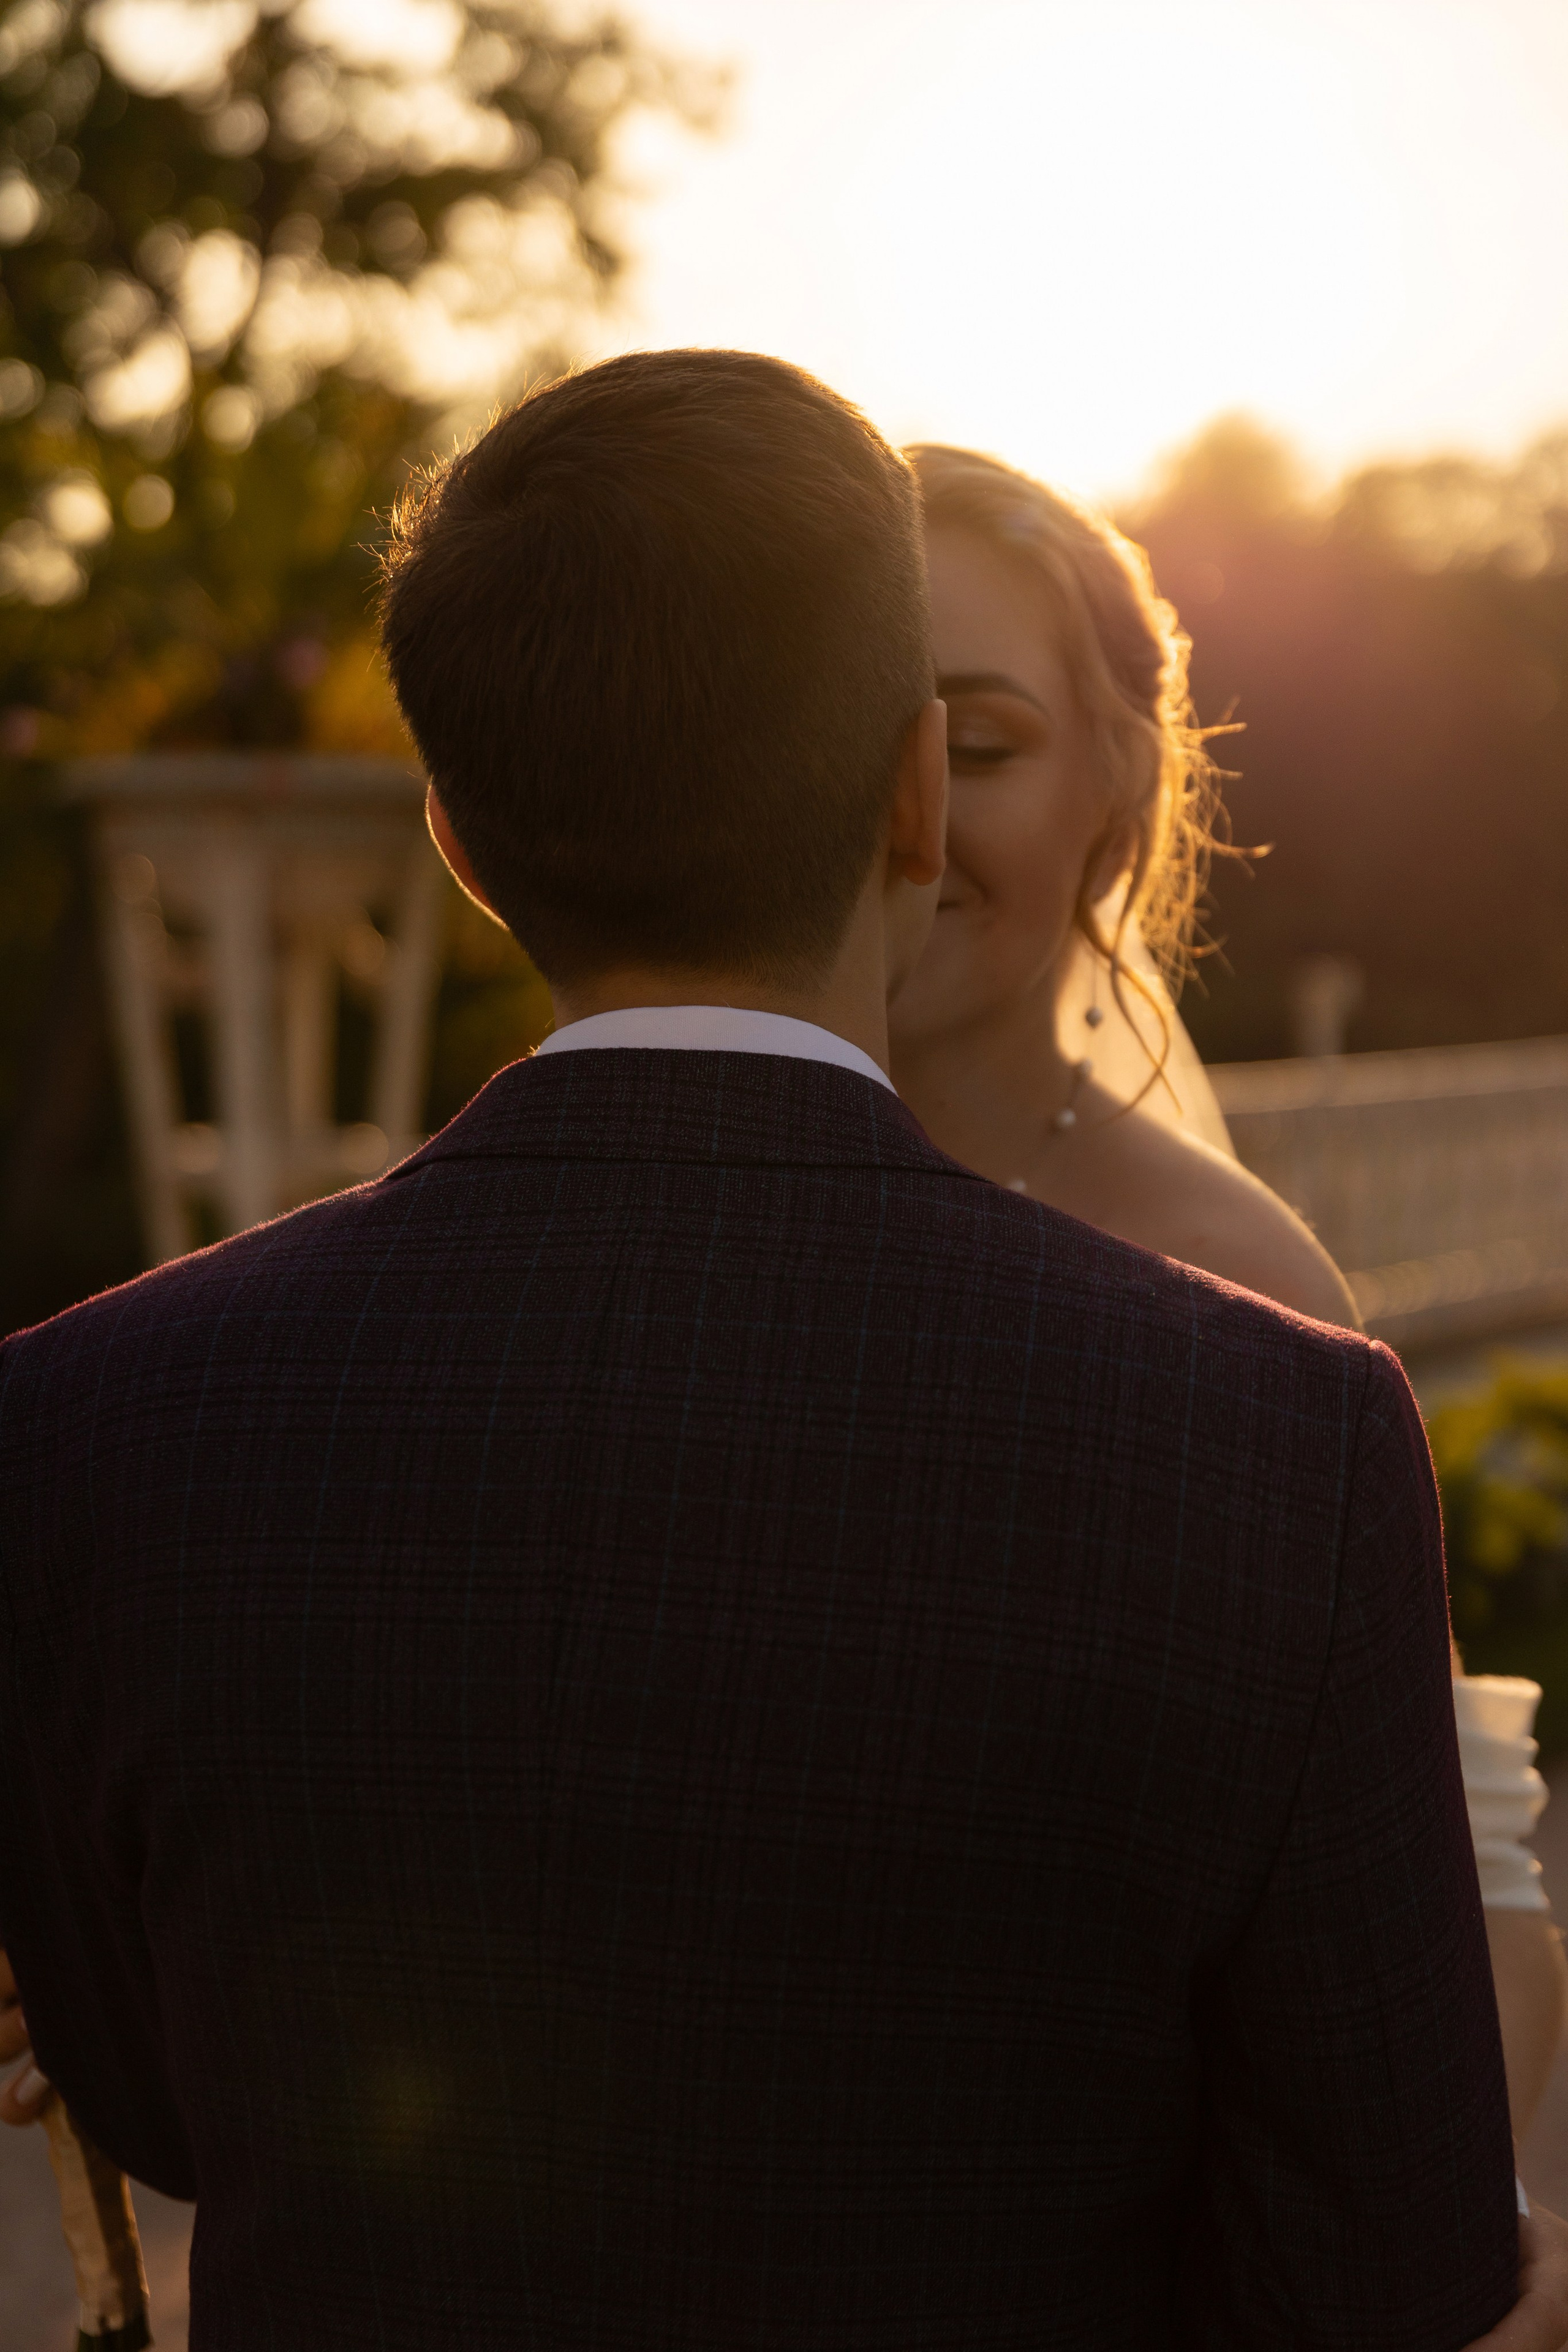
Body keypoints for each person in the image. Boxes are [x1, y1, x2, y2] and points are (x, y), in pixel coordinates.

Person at [0, 349, 1538, 2346]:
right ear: (911, 790)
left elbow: (151, 2097)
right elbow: (1388, 2264)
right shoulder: (1271, 1437)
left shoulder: (90, 1419)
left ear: (459, 835)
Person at [886, 442, 1568, 2141]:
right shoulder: (659, 1189)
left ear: (1115, 796)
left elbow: (1459, 1871)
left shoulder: (1243, 1286)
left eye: (980, 748)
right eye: (855, 741)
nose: (909, 820)